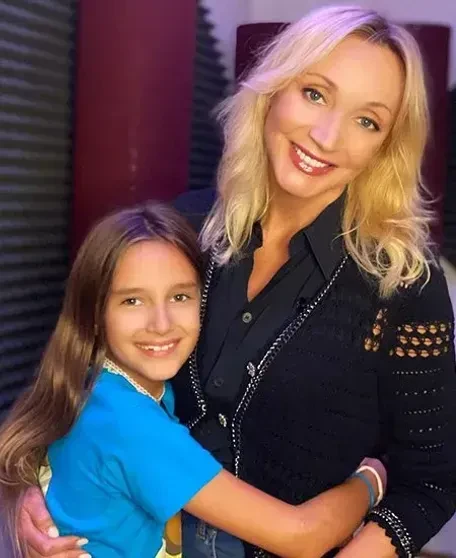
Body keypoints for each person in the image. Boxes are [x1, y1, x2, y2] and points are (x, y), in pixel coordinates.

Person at [16, 4, 456, 558]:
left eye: (367, 121)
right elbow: (89, 380)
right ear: (272, 90)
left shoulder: (403, 283)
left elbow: (433, 481)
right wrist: (42, 496)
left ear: (386, 146)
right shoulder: (183, 228)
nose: (326, 136)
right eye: (314, 93)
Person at [0, 202, 385, 558]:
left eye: (180, 297)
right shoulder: (133, 427)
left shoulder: (97, 387)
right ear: (95, 315)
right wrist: (372, 479)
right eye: (132, 301)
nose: (161, 324)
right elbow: (301, 536)